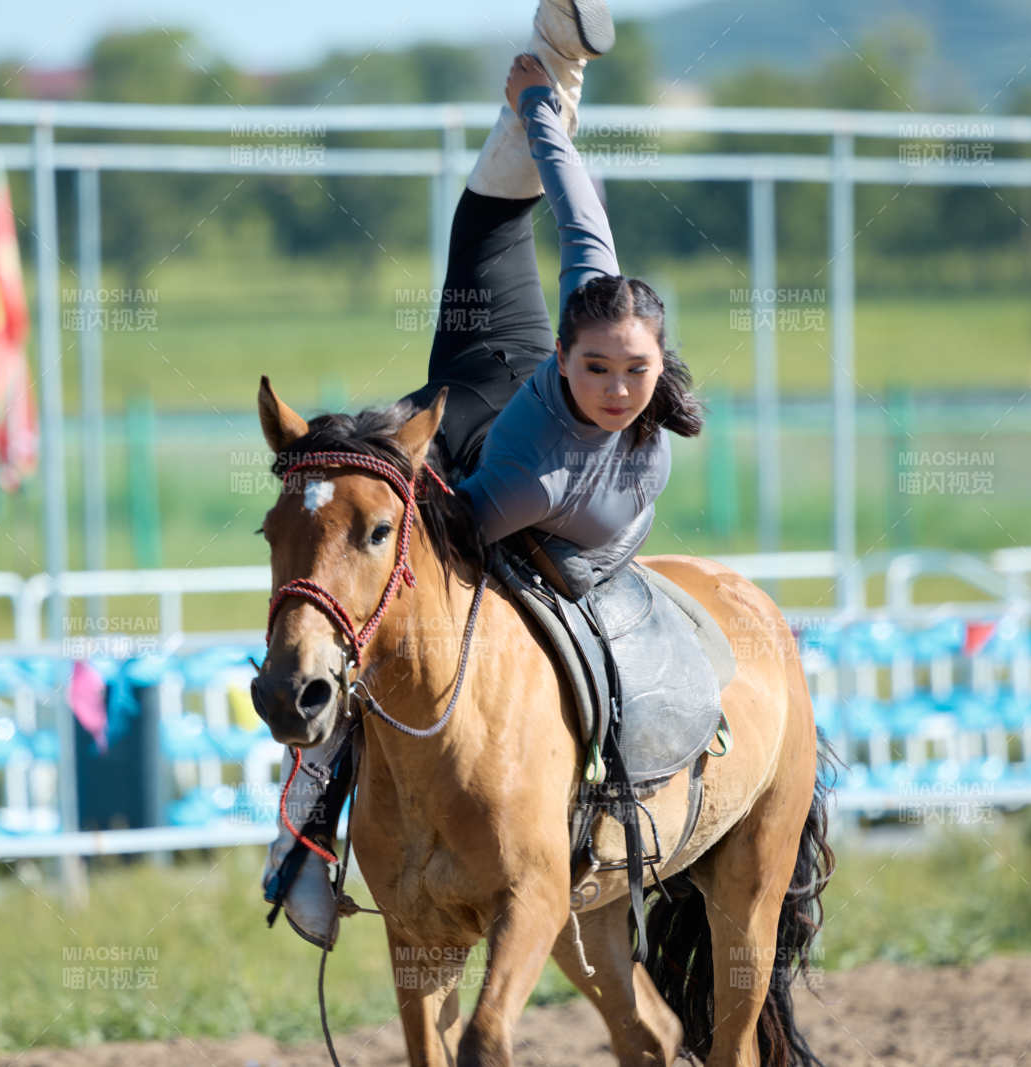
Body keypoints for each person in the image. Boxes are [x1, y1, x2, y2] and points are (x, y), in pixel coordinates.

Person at [262, 0, 704, 949]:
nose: (621, 384)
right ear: (574, 339)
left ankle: (301, 835)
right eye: (599, 365)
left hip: (481, 485)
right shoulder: (601, 306)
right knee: (489, 212)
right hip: (485, 381)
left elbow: (582, 536)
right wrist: (546, 102)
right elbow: (582, 208)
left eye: (636, 373)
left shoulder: (543, 491)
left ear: (660, 369)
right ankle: (557, 55)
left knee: (377, 625)